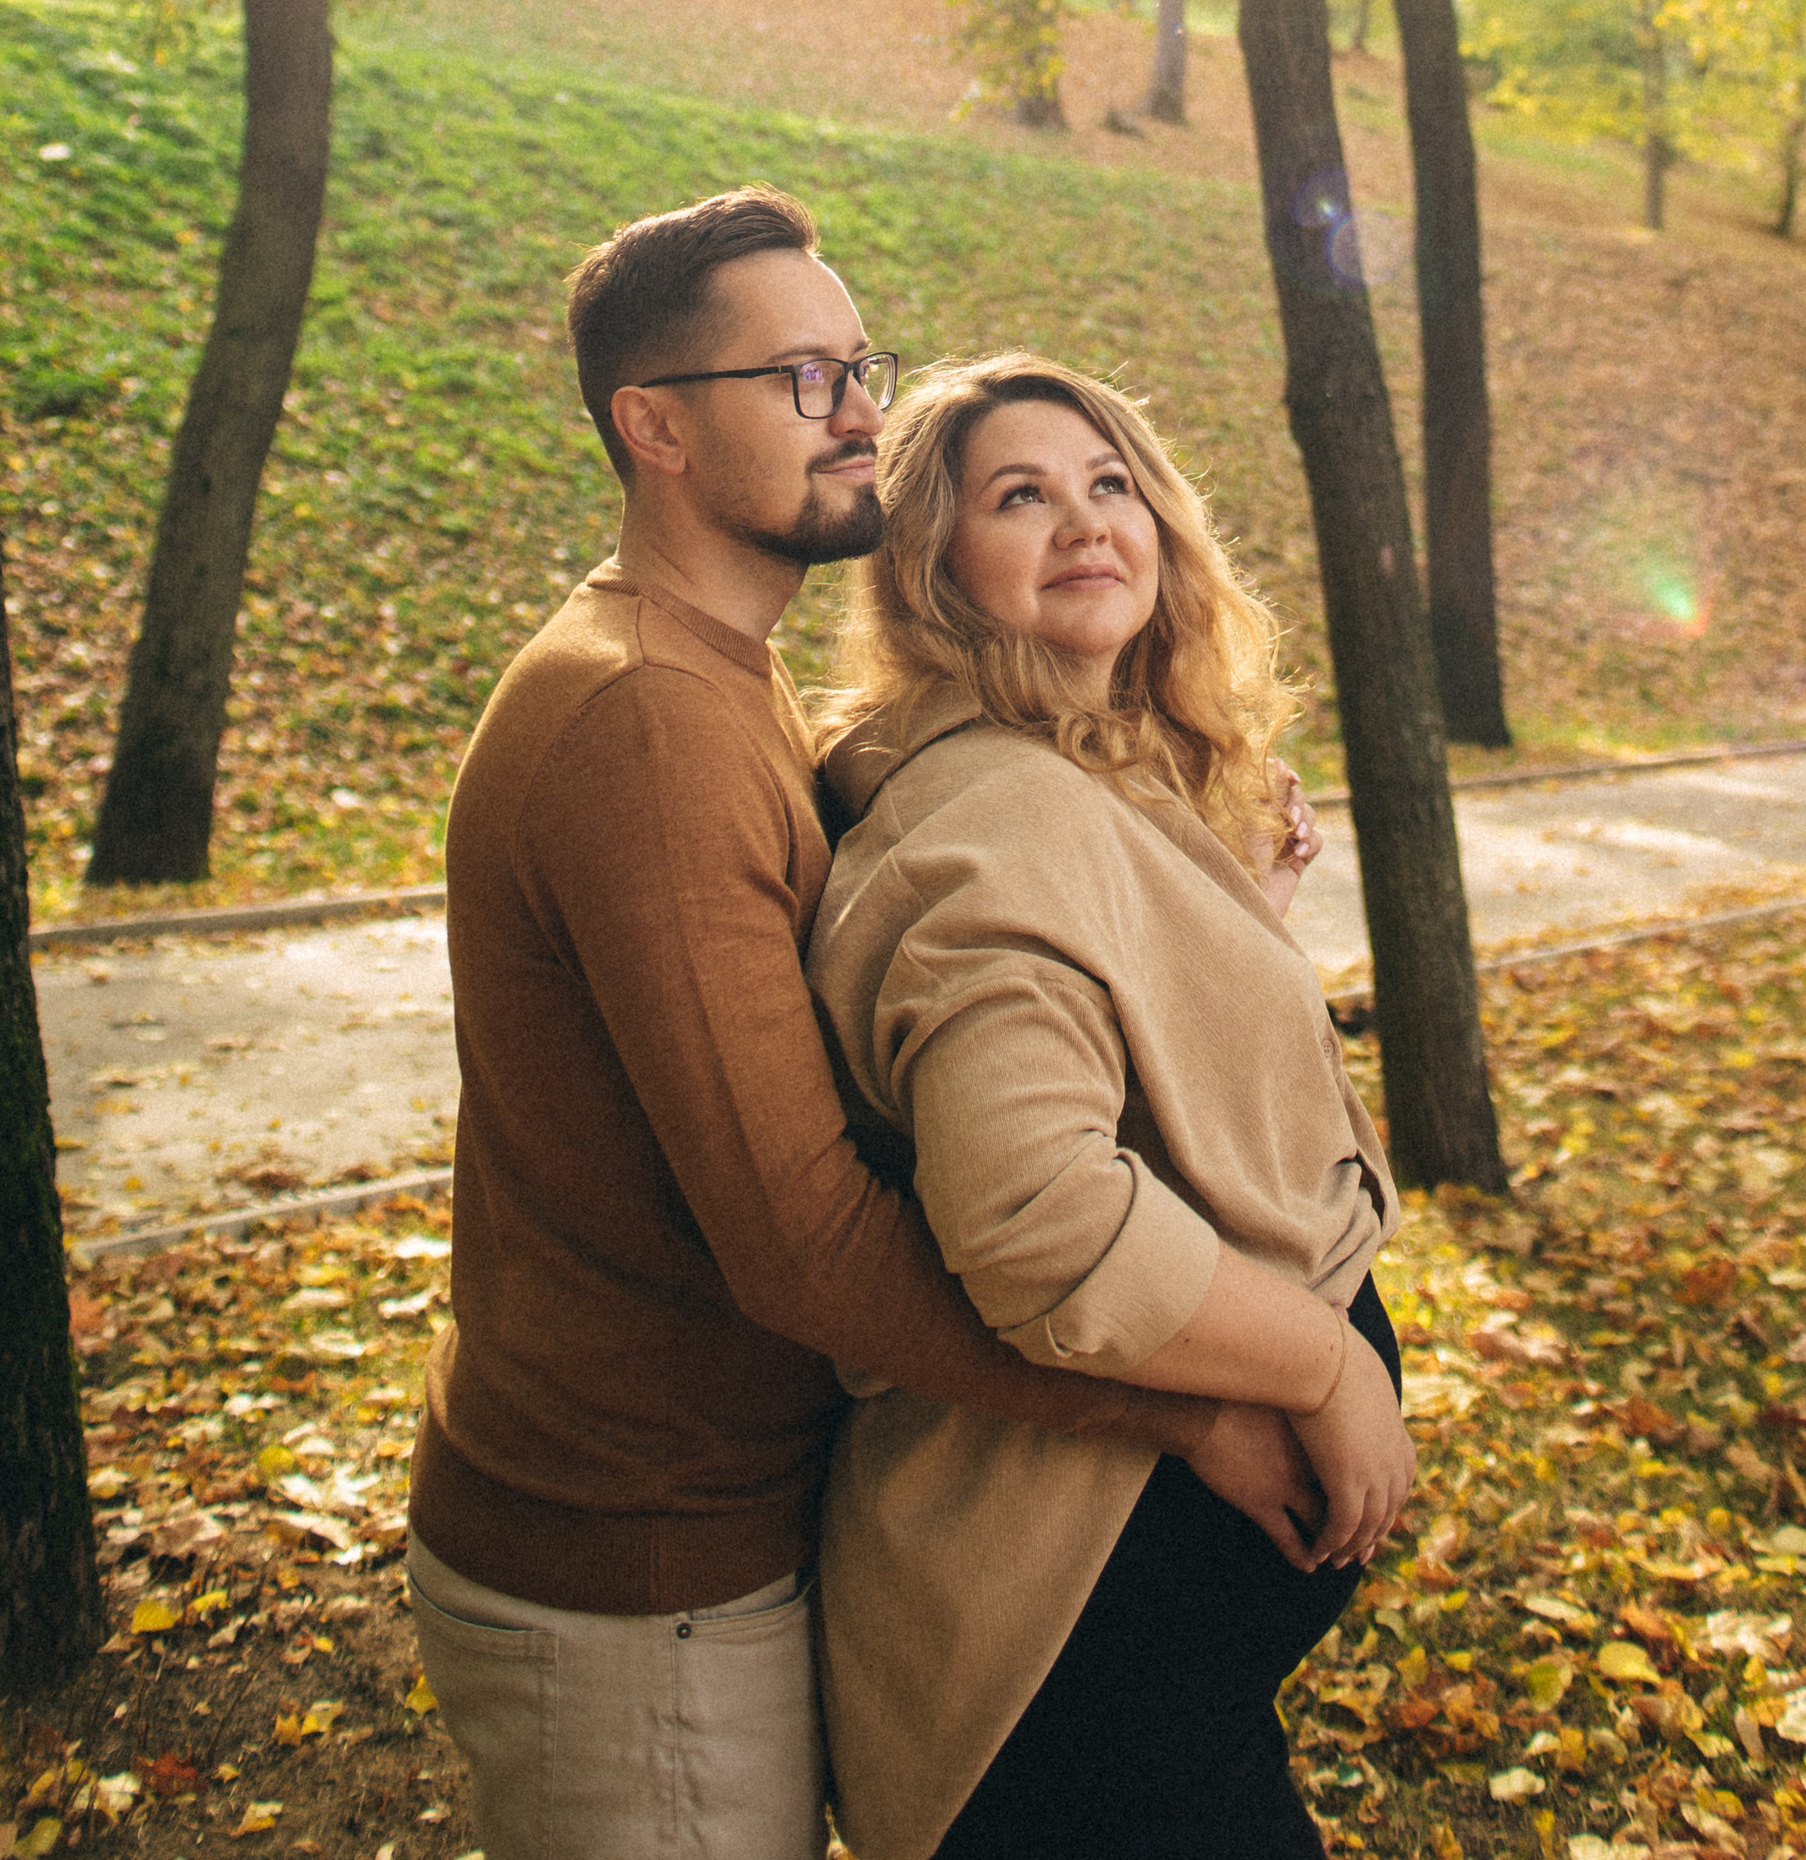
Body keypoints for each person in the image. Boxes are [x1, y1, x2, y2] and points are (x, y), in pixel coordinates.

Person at [405, 189, 1391, 1860]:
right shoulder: (653, 719)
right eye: (798, 379)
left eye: (855, 365)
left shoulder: (721, 688)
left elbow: (914, 1064)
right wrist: (1231, 1396)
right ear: (653, 426)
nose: (859, 409)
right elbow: (810, 1245)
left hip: (723, 1520)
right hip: (641, 1559)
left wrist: (1220, 939)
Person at [807, 351, 1415, 1860]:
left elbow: (1118, 1070)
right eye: (1020, 497)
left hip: (1125, 1673)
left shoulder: (1062, 779)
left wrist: (1239, 924)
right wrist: (1324, 1372)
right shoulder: (997, 822)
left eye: (1110, 485)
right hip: (1065, 1674)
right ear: (929, 566)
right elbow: (1042, 1220)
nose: (1087, 524)